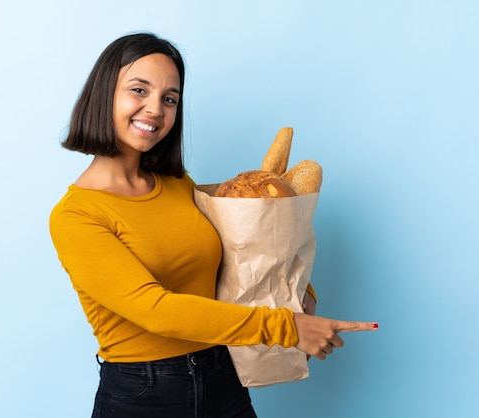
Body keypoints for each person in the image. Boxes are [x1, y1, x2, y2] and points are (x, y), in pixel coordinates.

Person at [49, 32, 378, 418]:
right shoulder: (76, 215)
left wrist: (297, 288)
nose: (155, 109)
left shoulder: (176, 184)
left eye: (169, 98)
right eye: (139, 90)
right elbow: (157, 309)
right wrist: (287, 326)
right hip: (143, 394)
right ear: (104, 93)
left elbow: (235, 256)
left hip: (221, 374)